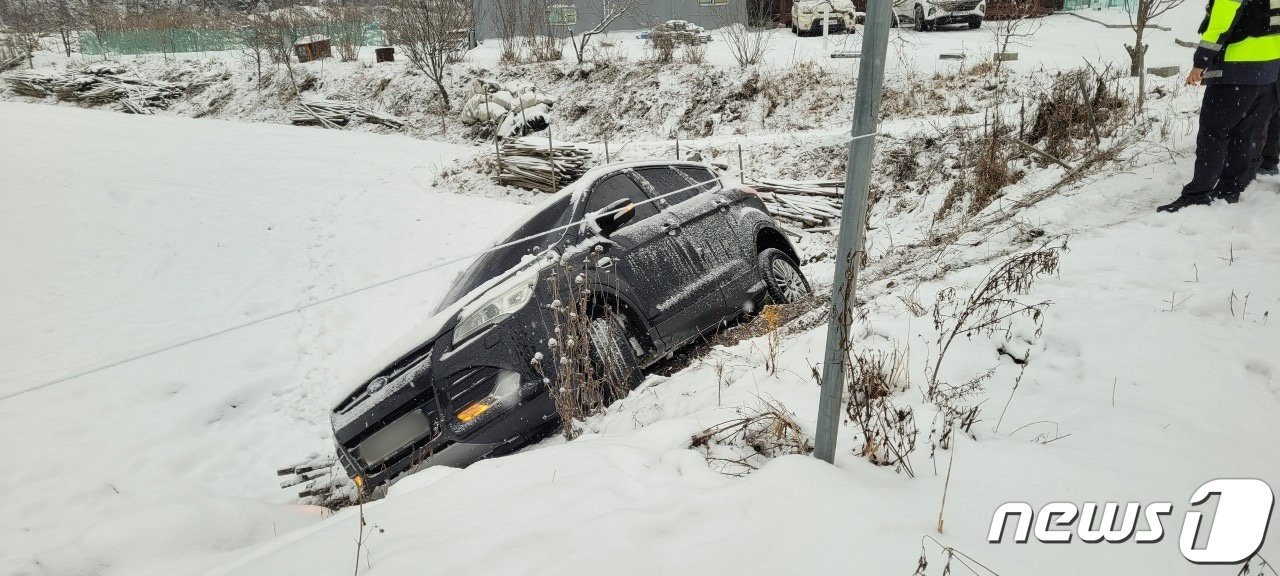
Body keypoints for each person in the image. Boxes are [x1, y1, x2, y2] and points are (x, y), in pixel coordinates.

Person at [1158, 0, 1280, 213]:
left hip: (1236, 68)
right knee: (1243, 132)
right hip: (1267, 70)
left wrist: (1201, 61)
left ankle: (1198, 195)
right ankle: (1230, 189)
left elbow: (1220, 23)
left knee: (1214, 133)